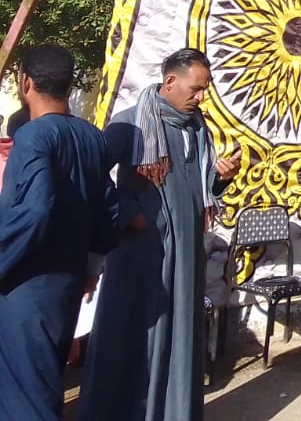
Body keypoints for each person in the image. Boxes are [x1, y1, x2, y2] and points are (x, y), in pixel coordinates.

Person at [79, 48, 241, 421]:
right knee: (132, 337)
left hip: (186, 256)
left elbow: (198, 187)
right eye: (196, 88)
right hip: (140, 256)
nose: (201, 97)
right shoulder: (131, 124)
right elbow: (92, 174)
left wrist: (221, 178)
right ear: (170, 81)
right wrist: (128, 211)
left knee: (179, 336)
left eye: (205, 89)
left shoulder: (197, 129)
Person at [0, 44, 118, 421]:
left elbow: (34, 211)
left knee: (24, 396)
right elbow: (108, 207)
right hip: (68, 280)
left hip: (25, 284)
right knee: (47, 381)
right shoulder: (92, 137)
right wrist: (92, 268)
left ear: (26, 83)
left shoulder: (32, 137)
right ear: (69, 85)